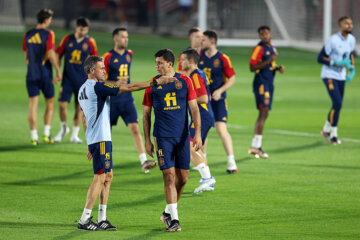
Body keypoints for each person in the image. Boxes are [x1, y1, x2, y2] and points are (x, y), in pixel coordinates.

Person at [77, 55, 175, 231]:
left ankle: (102, 218)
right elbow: (128, 87)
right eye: (101, 68)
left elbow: (85, 118)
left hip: (97, 139)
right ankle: (84, 219)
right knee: (100, 177)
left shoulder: (83, 89)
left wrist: (89, 144)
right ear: (92, 71)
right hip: (100, 139)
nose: (104, 71)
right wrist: (154, 83)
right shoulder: (98, 87)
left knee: (108, 176)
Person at [142, 49, 202, 231]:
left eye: (160, 63)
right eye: (156, 63)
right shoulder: (153, 84)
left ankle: (168, 211)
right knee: (169, 176)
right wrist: (147, 140)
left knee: (183, 179)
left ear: (169, 64)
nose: (156, 66)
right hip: (162, 137)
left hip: (183, 137)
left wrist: (197, 133)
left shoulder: (185, 81)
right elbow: (146, 114)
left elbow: (194, 110)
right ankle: (174, 220)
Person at [102, 28, 156, 173]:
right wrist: (116, 83)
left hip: (127, 99)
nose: (126, 40)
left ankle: (143, 160)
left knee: (135, 128)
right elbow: (100, 80)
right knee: (107, 132)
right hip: (112, 100)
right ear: (116, 39)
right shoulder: (107, 57)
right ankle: (106, 161)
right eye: (123, 37)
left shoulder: (129, 54)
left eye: (127, 37)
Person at [198, 30, 237, 173]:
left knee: (221, 129)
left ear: (212, 42)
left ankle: (231, 161)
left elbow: (232, 78)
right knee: (203, 129)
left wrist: (220, 91)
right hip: (203, 100)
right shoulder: (198, 57)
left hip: (219, 99)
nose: (201, 42)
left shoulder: (222, 58)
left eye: (203, 40)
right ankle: (203, 161)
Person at [54, 17, 98, 143]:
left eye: (85, 30)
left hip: (83, 80)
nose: (83, 32)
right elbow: (58, 55)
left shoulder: (90, 42)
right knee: (62, 105)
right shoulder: (67, 40)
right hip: (67, 79)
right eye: (81, 29)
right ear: (76, 27)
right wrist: (58, 72)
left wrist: (94, 77)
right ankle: (63, 129)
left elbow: (94, 60)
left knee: (79, 108)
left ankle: (74, 135)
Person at [22, 8, 62, 145]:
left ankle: (34, 137)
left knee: (32, 106)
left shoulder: (28, 34)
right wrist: (58, 70)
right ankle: (46, 134)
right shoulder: (49, 34)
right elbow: (50, 54)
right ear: (46, 20)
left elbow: (26, 56)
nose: (50, 21)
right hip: (45, 73)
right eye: (50, 19)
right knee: (50, 103)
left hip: (31, 74)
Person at [179, 49, 216, 194]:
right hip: (203, 116)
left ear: (191, 61)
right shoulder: (197, 74)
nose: (181, 63)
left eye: (183, 60)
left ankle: (207, 179)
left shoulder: (195, 75)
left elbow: (204, 98)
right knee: (196, 148)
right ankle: (207, 181)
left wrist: (185, 99)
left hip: (202, 116)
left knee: (189, 145)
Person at [317, 16, 356, 145]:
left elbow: (350, 54)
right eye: (346, 24)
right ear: (340, 26)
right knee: (337, 103)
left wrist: (352, 69)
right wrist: (336, 63)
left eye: (351, 23)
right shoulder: (332, 40)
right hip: (329, 75)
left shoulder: (351, 40)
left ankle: (325, 130)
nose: (350, 26)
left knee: (337, 105)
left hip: (341, 76)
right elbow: (320, 58)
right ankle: (333, 135)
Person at [248, 26, 285, 158]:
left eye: (266, 33)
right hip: (261, 84)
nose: (264, 36)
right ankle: (256, 146)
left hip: (269, 83)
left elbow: (270, 65)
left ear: (270, 34)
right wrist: (268, 61)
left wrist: (277, 67)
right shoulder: (259, 49)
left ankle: (255, 145)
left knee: (264, 114)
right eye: (261, 34)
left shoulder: (272, 47)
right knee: (263, 112)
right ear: (259, 36)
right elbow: (252, 67)